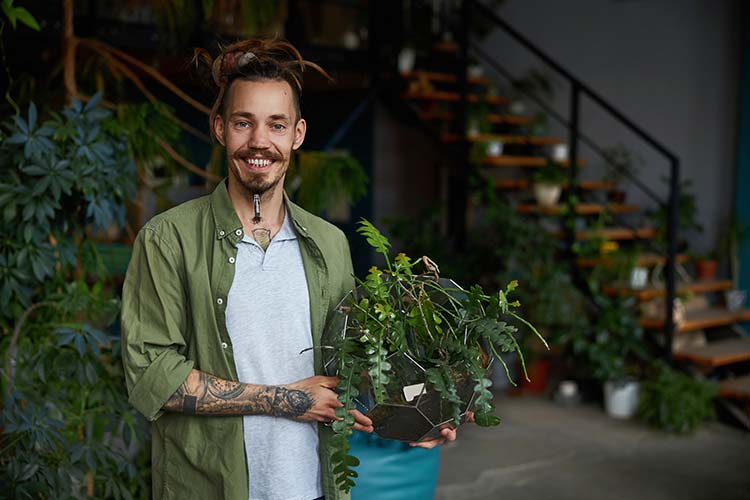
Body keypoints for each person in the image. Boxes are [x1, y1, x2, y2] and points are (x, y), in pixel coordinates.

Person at [121, 38, 458, 500]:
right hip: (211, 486)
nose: (259, 142)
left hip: (312, 486)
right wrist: (289, 400)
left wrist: (422, 411)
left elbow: (352, 367)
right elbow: (151, 374)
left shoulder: (329, 244)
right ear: (220, 129)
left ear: (297, 134)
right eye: (244, 123)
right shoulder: (169, 239)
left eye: (276, 125)